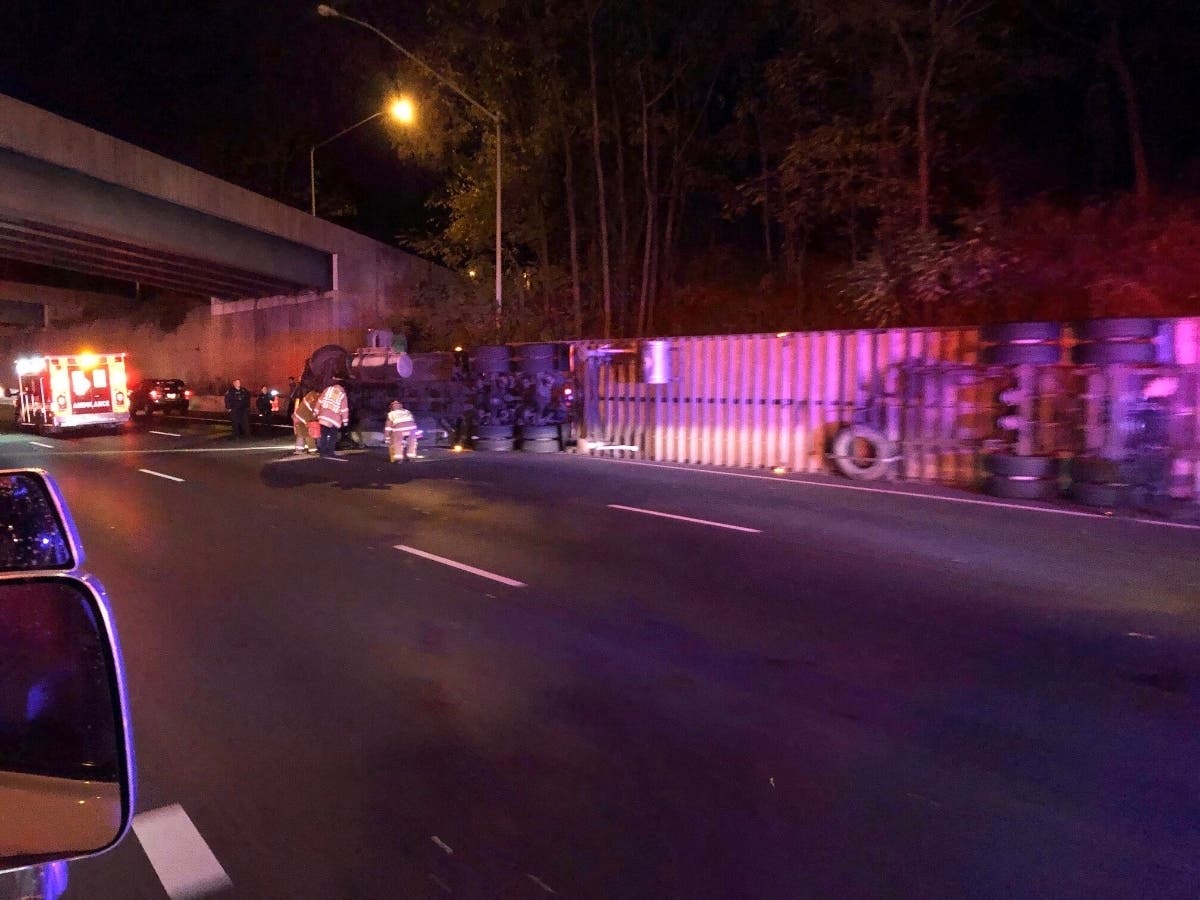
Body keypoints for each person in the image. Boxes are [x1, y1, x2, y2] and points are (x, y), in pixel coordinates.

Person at [315, 379, 349, 457]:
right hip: (334, 420)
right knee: (333, 436)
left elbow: (319, 401)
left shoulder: (327, 389)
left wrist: (316, 411)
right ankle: (330, 452)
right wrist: (345, 421)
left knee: (323, 435)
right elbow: (344, 409)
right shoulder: (342, 394)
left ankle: (322, 452)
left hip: (323, 417)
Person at [291, 390, 320, 455]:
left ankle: (299, 450)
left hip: (297, 417)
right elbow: (314, 410)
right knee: (308, 434)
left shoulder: (310, 395)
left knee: (301, 434)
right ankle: (312, 450)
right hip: (303, 419)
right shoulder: (315, 397)